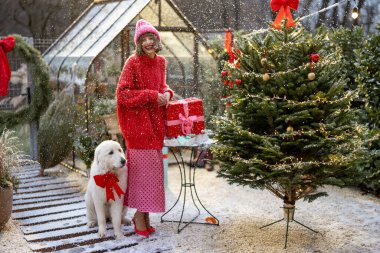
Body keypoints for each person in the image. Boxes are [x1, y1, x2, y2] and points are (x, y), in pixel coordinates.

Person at [116, 19, 174, 238]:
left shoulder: (161, 62)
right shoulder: (133, 62)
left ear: (157, 40)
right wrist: (150, 96)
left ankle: (145, 216)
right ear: (139, 43)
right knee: (143, 176)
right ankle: (139, 216)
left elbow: (162, 87)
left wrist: (167, 94)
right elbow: (122, 94)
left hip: (155, 127)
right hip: (138, 128)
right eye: (144, 39)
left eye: (152, 38)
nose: (149, 42)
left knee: (154, 177)